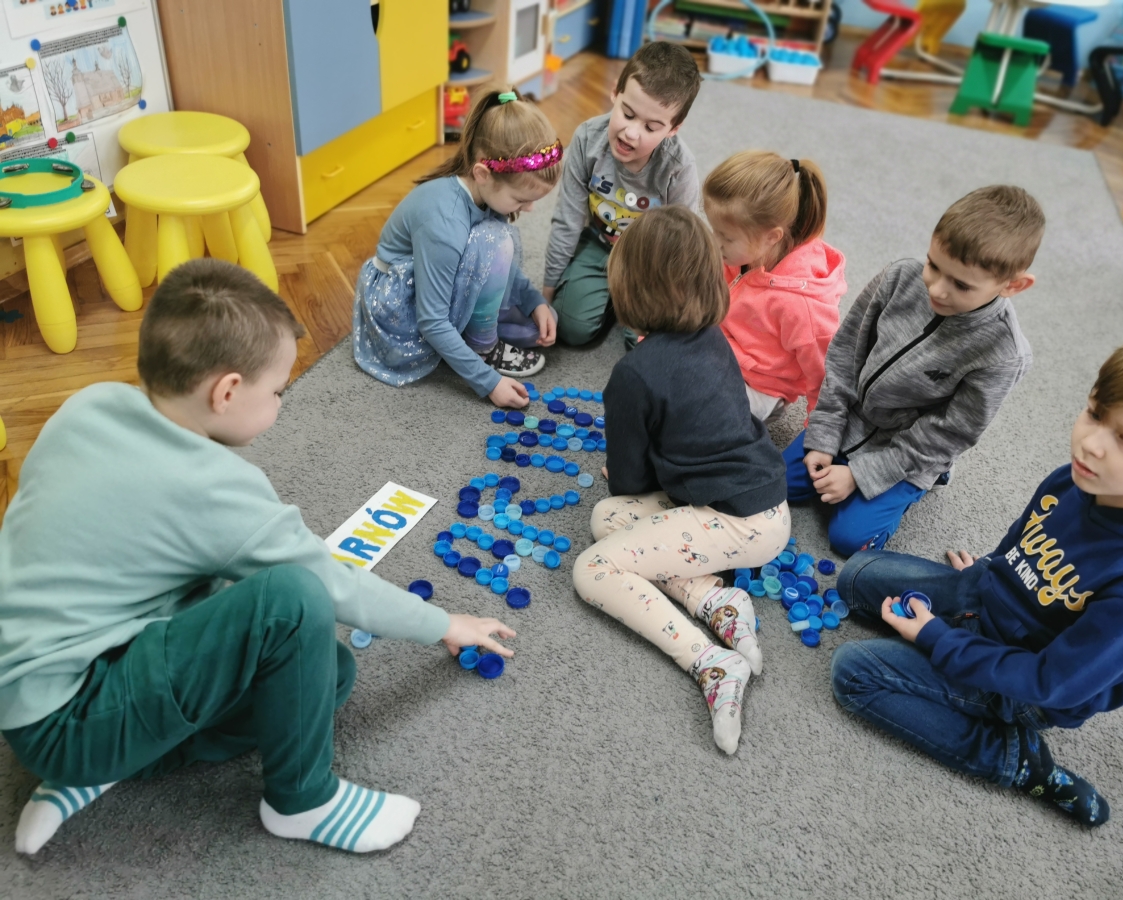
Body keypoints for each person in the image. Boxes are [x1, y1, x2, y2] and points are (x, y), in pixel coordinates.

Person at [0, 260, 516, 855]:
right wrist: (445, 623)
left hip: (42, 688)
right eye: (276, 392)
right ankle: (303, 801)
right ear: (226, 392)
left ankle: (114, 762)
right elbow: (330, 584)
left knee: (328, 674)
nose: (279, 404)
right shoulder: (212, 489)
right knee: (291, 599)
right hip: (67, 723)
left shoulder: (89, 404)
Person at [829, 324, 1123, 827]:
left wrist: (938, 638)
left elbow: (1052, 683)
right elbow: (1024, 536)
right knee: (855, 576)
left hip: (1026, 683)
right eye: (1094, 413)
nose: (1091, 444)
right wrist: (993, 572)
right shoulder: (1080, 477)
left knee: (854, 672)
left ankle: (1012, 759)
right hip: (988, 598)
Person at [572, 207, 790, 756]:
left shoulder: (634, 373)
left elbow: (627, 478)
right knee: (606, 520)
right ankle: (717, 602)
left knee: (593, 568)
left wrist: (625, 470)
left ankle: (710, 663)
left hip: (734, 523)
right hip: (764, 505)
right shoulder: (712, 335)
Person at [785, 185, 1043, 556]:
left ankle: (929, 480)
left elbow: (949, 433)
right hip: (852, 419)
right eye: (933, 265)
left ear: (1014, 285)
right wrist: (825, 434)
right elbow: (844, 356)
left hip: (909, 452)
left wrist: (860, 475)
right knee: (775, 483)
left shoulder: (1004, 354)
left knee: (849, 539)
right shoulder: (899, 278)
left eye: (961, 285)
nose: (937, 289)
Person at [353, 89, 561, 410]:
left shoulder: (484, 192)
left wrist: (534, 301)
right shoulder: (445, 223)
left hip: (436, 282)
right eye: (522, 200)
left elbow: (496, 264)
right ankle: (483, 347)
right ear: (483, 174)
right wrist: (489, 382)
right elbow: (432, 321)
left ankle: (475, 330)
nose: (530, 209)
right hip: (400, 309)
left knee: (537, 327)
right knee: (494, 239)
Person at [543, 41, 701, 349]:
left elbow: (682, 244)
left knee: (643, 341)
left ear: (673, 129)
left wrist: (664, 294)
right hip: (598, 243)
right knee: (570, 328)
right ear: (615, 92)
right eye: (627, 114)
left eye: (651, 127)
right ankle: (610, 298)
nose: (631, 133)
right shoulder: (587, 138)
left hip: (650, 260)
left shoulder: (679, 167)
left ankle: (620, 300)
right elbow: (567, 220)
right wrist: (546, 294)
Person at [703, 151, 846, 423]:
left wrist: (818, 433)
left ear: (771, 237)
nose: (715, 242)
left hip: (761, 388)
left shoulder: (802, 306)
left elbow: (825, 376)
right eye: (714, 230)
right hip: (720, 349)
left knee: (688, 406)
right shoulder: (739, 253)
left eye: (726, 237)